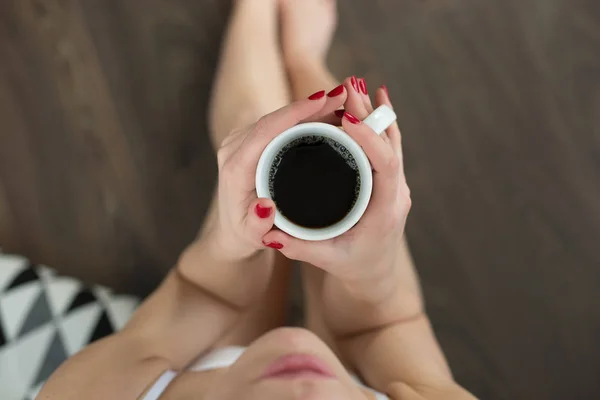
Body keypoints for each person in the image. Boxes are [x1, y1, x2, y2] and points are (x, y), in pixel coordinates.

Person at [39, 0, 477, 399]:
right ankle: (302, 55)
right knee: (336, 139)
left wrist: (228, 245)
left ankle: (255, 11)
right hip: (353, 364)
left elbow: (203, 292)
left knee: (252, 141)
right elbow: (379, 327)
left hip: (201, 361)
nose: (304, 392)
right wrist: (372, 272)